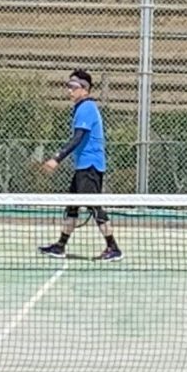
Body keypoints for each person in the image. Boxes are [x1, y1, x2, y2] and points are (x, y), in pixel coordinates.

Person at [37, 68, 123, 261]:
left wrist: (56, 158)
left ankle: (113, 247)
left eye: (73, 87)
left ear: (85, 89)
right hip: (83, 167)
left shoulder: (86, 108)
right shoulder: (80, 108)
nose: (69, 90)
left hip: (90, 166)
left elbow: (77, 138)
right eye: (68, 86)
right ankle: (60, 246)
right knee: (73, 206)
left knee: (94, 207)